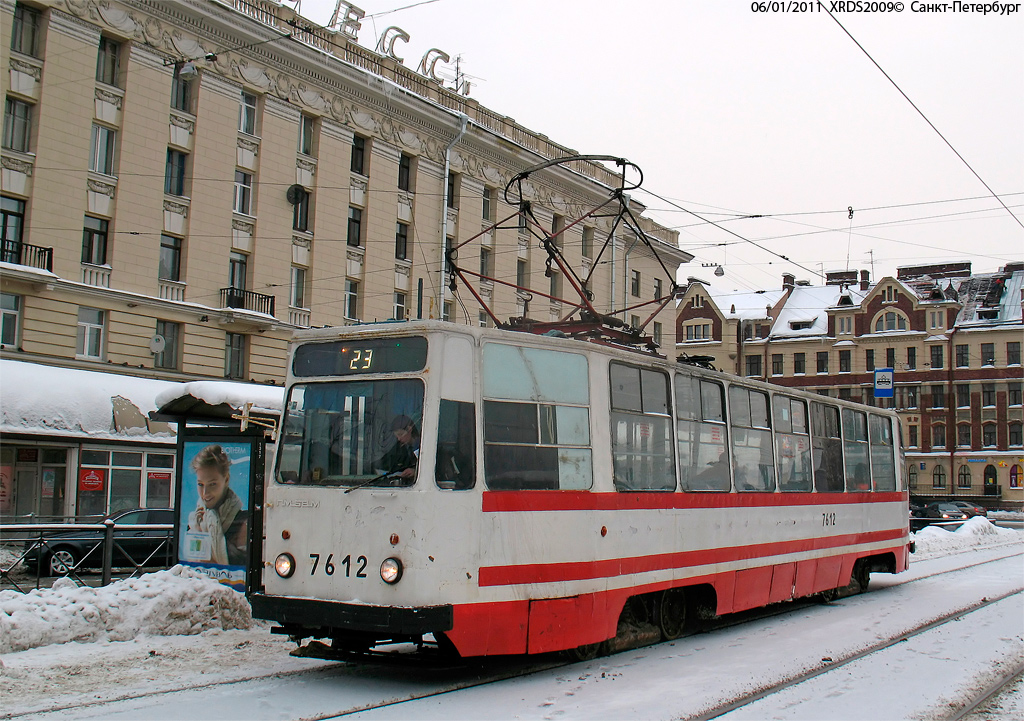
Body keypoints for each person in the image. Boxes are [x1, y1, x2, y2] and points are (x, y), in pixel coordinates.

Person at [186, 444, 247, 566]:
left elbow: (239, 565)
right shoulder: (195, 521)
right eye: (200, 484)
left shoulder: (242, 521)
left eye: (212, 484)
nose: (205, 493)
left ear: (226, 479)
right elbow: (191, 566)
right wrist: (197, 531)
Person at [377, 415, 420, 480]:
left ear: (409, 429)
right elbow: (386, 460)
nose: (399, 439)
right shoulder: (401, 447)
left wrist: (415, 471)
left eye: (400, 434)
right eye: (397, 437)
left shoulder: (423, 446)